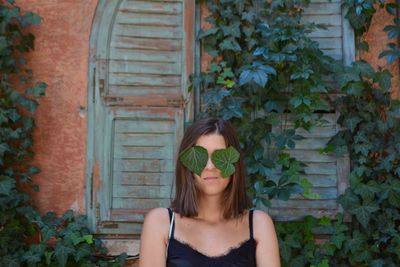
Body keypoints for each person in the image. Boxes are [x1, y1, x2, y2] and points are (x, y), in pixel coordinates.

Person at [139, 117, 280, 267]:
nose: (210, 166)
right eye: (201, 156)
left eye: (219, 156)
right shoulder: (161, 223)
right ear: (187, 165)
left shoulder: (259, 224)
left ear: (234, 163)